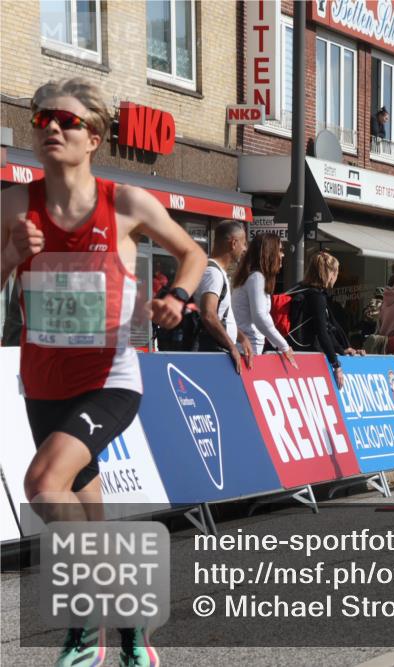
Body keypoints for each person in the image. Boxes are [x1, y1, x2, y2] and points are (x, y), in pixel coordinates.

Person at [2, 77, 207, 667]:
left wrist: (179, 297)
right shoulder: (14, 205)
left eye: (65, 121)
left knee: (44, 485)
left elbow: (192, 253)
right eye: (41, 119)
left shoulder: (125, 203)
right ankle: (131, 627)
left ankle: (85, 621)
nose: (51, 128)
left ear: (93, 137)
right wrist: (11, 255)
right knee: (89, 518)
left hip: (109, 380)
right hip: (43, 383)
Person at [287, 251, 359, 387]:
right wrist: (336, 364)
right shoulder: (317, 297)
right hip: (309, 356)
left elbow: (325, 329)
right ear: (330, 273)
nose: (336, 277)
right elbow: (322, 332)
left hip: (295, 351)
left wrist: (341, 350)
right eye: (336, 272)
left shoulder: (301, 289)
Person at [194, 221, 254, 373]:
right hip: (215, 353)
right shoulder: (213, 273)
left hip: (218, 351)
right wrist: (232, 346)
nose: (245, 249)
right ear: (234, 243)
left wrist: (241, 337)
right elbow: (209, 314)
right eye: (243, 243)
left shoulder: (216, 272)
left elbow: (220, 316)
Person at [232, 233, 295, 365]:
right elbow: (260, 317)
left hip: (247, 346)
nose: (282, 255)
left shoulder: (252, 277)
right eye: (280, 250)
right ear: (269, 252)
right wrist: (283, 345)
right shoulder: (257, 278)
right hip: (247, 349)